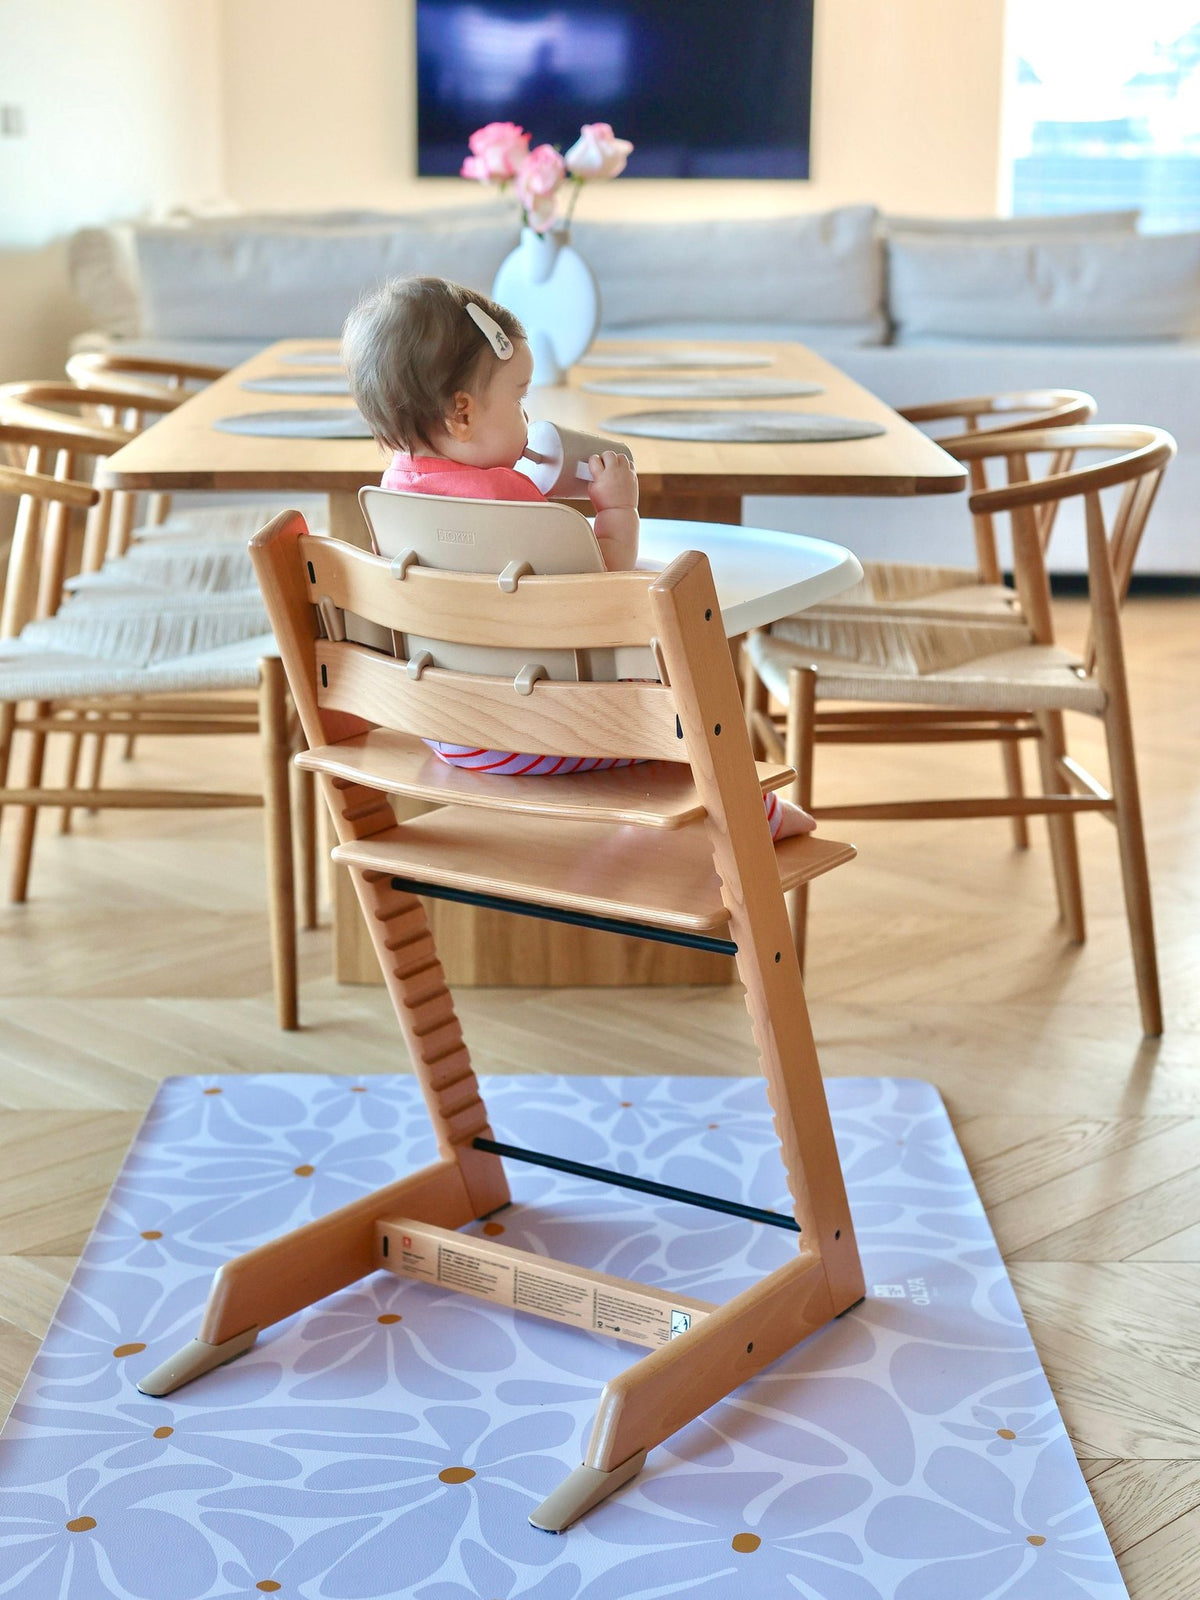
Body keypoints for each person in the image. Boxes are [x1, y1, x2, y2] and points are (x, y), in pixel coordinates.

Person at [342, 275, 814, 839]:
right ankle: (755, 819)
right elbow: (605, 584)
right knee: (687, 702)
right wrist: (617, 508)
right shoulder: (514, 505)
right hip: (540, 736)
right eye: (519, 399)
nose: (526, 415)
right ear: (461, 414)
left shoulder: (390, 493)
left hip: (449, 731)